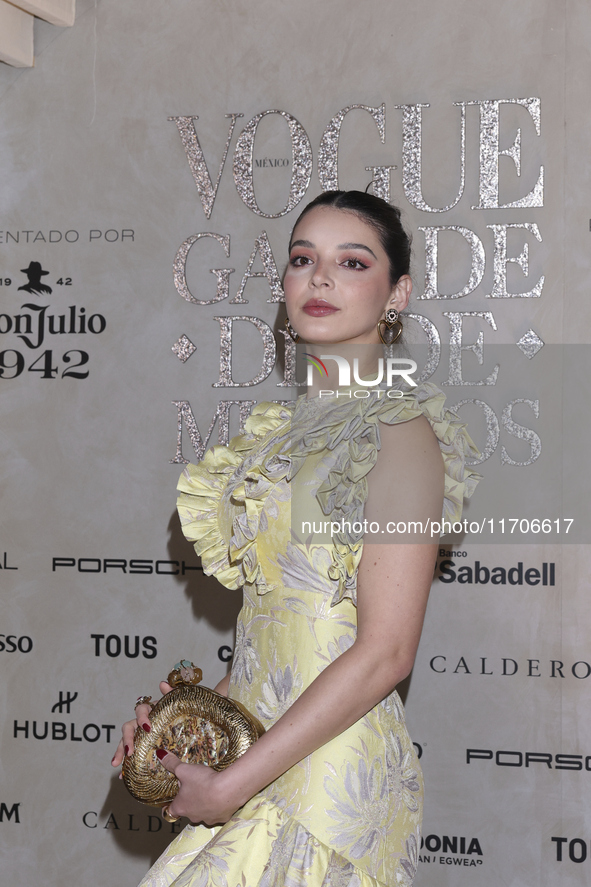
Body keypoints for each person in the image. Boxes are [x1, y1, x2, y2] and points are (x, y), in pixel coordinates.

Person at [113, 190, 479, 887]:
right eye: (303, 258)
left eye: (350, 261)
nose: (318, 277)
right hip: (262, 758)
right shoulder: (280, 438)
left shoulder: (400, 433)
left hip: (328, 785)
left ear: (396, 291)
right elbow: (276, 638)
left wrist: (229, 785)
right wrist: (182, 727)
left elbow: (386, 650)